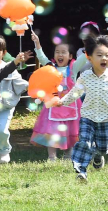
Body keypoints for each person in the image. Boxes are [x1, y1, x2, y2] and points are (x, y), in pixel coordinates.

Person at [58, 35, 108, 183]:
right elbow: (75, 92)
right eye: (99, 55)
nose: (104, 58)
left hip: (106, 118)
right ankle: (81, 171)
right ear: (89, 58)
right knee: (84, 142)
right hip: (87, 117)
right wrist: (62, 101)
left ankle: (98, 155)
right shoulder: (85, 76)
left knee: (103, 148)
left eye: (107, 55)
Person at [30, 31, 81, 161]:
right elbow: (41, 57)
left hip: (70, 107)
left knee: (70, 131)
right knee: (51, 131)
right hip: (52, 107)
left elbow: (85, 58)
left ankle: (68, 155)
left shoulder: (73, 68)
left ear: (70, 56)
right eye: (57, 52)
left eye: (64, 52)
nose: (60, 54)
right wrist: (37, 43)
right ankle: (51, 156)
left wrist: (92, 46)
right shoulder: (50, 67)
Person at [0, 35, 29, 164]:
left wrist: (34, 86)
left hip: (5, 108)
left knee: (1, 130)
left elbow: (20, 83)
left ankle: (4, 151)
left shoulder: (9, 67)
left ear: (3, 53)